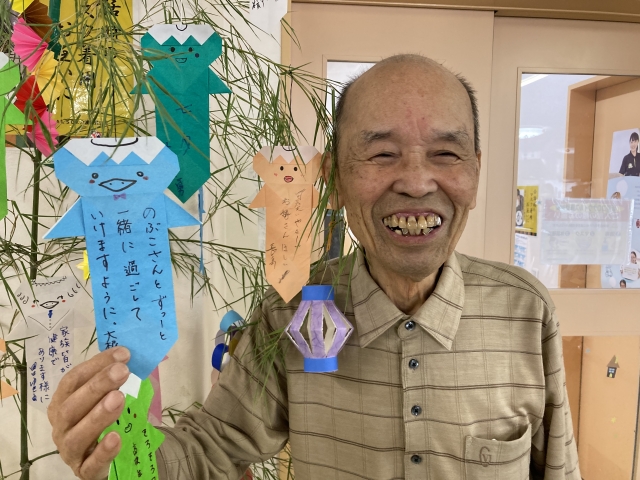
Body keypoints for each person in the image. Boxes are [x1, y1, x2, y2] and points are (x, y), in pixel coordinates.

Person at [48, 55, 580, 479]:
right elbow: (208, 451)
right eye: (382, 154)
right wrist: (120, 451)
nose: (417, 182)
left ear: (476, 172)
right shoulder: (288, 314)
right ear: (335, 180)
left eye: (446, 154)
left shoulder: (525, 311)